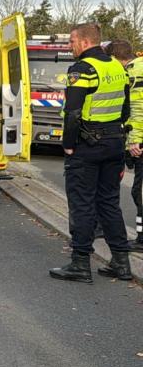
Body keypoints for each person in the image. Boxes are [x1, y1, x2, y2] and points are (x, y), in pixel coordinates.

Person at [50, 24, 133, 283]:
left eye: (72, 41)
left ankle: (80, 263)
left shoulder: (82, 69)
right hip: (114, 142)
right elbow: (125, 110)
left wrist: (68, 144)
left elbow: (73, 112)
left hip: (87, 146)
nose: (70, 46)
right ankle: (121, 262)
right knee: (108, 203)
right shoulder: (117, 67)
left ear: (85, 42)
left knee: (82, 203)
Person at [106, 40, 143, 250]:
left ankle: (142, 240)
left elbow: (137, 107)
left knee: (139, 191)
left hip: (140, 140)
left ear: (115, 58)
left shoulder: (133, 71)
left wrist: (135, 139)